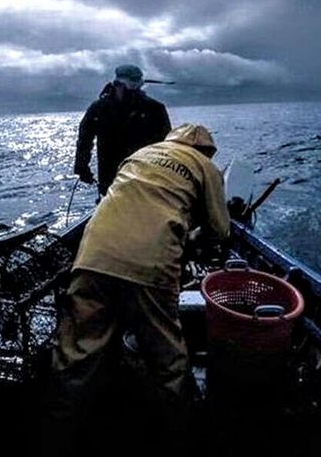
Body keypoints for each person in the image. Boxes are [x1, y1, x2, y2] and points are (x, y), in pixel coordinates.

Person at [42, 123, 230, 456]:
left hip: (93, 257)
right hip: (150, 267)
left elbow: (133, 203)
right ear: (206, 151)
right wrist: (194, 241)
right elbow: (219, 229)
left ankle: (56, 436)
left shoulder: (139, 155)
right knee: (167, 358)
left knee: (77, 354)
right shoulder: (205, 167)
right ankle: (183, 439)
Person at [73, 64, 171, 195]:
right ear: (117, 84)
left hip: (146, 178)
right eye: (130, 85)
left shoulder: (155, 109)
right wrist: (81, 167)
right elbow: (84, 140)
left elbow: (167, 145)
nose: (133, 91)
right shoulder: (99, 109)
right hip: (112, 180)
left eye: (137, 86)